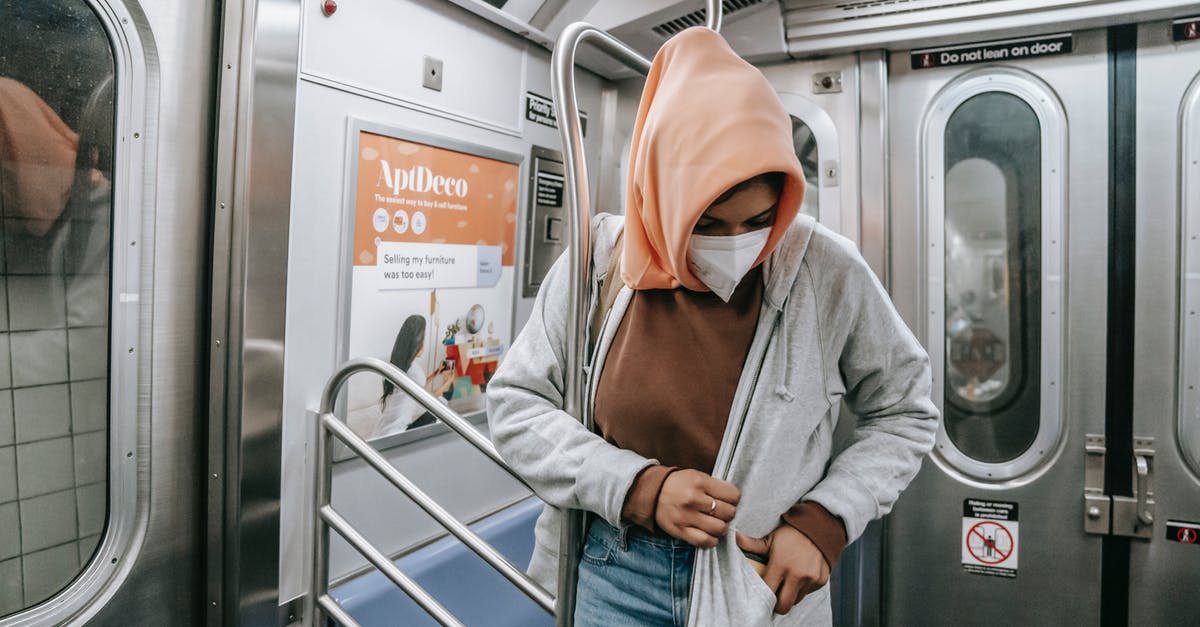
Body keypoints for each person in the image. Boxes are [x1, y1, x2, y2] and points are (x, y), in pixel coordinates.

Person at [487, 27, 938, 626]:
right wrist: (638, 487)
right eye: (708, 224)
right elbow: (516, 407)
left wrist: (827, 520)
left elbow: (904, 412)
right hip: (611, 569)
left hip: (753, 582)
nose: (738, 247)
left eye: (757, 221)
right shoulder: (599, 259)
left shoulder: (826, 272)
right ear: (664, 200)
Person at [373, 314, 452, 438]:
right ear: (417, 342)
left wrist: (434, 374)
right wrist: (447, 384)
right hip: (397, 435)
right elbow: (429, 400)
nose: (424, 344)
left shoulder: (395, 364)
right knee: (442, 402)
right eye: (423, 339)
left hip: (381, 432)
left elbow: (413, 387)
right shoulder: (416, 372)